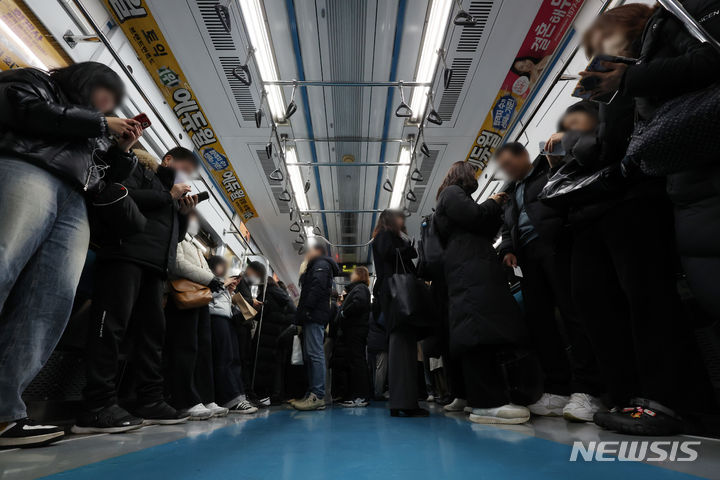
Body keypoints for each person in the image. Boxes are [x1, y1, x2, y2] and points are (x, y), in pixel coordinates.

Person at [543, 6, 690, 432]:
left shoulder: (638, 75)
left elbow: (605, 146)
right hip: (596, 207)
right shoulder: (606, 90)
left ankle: (663, 397)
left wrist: (577, 143)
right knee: (596, 304)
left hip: (633, 197)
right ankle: (624, 395)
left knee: (645, 298)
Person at [0, 62, 140, 446]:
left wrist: (122, 151)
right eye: (104, 96)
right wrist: (100, 124)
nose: (107, 106)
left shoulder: (90, 132)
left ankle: (3, 410)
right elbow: (20, 108)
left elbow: (102, 176)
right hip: (26, 169)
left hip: (76, 200)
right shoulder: (34, 80)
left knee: (48, 304)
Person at [581, 1, 720, 321]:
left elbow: (708, 60)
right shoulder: (636, 70)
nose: (602, 49)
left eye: (605, 38)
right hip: (683, 182)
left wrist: (628, 80)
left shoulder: (666, 28)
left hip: (703, 166)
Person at [74, 147, 199, 433]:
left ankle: (150, 399)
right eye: (185, 166)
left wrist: (182, 213)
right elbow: (118, 194)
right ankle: (97, 404)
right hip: (124, 257)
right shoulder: (140, 172)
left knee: (151, 337)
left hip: (155, 268)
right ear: (168, 160)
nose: (188, 174)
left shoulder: (171, 195)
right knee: (110, 328)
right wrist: (168, 196)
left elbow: (174, 238)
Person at [495, 142, 604, 422]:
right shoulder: (511, 192)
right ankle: (557, 388)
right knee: (541, 324)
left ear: (524, 156)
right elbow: (509, 228)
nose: (507, 170)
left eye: (509, 164)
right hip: (529, 260)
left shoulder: (549, 170)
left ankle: (588, 388)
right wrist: (508, 249)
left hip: (555, 247)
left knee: (573, 315)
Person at [434, 161, 530, 425]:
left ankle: (484, 397)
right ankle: (487, 402)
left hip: (471, 265)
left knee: (481, 327)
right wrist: (492, 203)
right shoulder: (452, 193)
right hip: (469, 267)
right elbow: (473, 217)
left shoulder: (452, 203)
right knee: (478, 328)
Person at [165, 212, 227, 420]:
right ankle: (185, 400)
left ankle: (204, 397)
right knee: (186, 347)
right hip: (185, 296)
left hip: (200, 298)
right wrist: (211, 278)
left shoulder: (195, 246)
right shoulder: (179, 238)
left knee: (202, 350)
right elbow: (178, 265)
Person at [372, 210, 428, 417]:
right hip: (398, 296)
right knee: (403, 346)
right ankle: (404, 402)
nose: (401, 221)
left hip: (394, 296)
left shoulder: (383, 237)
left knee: (402, 346)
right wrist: (407, 245)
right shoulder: (386, 236)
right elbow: (394, 253)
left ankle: (403, 401)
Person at [207, 256, 257, 414]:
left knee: (234, 358)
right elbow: (205, 297)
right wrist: (224, 285)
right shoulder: (210, 280)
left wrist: (229, 290)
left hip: (227, 319)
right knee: (225, 359)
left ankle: (238, 396)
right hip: (216, 318)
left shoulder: (222, 284)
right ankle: (230, 398)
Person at [291, 244, 339, 411]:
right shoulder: (319, 265)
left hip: (314, 314)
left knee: (315, 354)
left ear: (318, 251)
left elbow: (316, 288)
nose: (307, 254)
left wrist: (306, 310)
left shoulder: (321, 265)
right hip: (313, 314)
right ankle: (313, 392)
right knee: (312, 355)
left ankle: (317, 395)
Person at [252, 276, 296, 405]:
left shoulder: (266, 295)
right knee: (277, 367)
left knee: (262, 367)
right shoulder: (284, 296)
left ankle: (262, 395)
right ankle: (276, 395)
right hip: (280, 336)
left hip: (266, 336)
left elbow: (256, 314)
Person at [334, 267, 372, 407]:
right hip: (355, 330)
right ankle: (357, 395)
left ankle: (361, 396)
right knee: (355, 363)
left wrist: (344, 313)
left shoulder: (360, 288)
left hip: (355, 330)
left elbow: (358, 303)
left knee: (357, 363)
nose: (351, 275)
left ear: (360, 275)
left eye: (354, 273)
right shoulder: (358, 289)